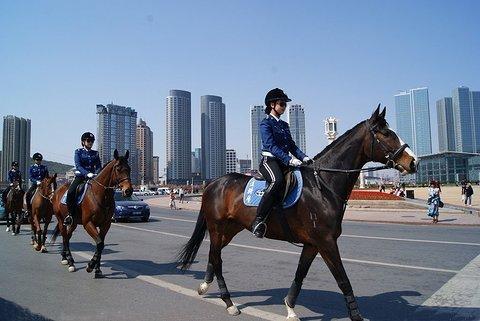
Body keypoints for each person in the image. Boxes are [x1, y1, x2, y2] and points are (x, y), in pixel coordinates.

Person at [251, 88, 312, 238]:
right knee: (277, 181)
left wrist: (304, 157)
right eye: (282, 103)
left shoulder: (284, 125)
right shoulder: (265, 124)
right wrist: (289, 159)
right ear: (272, 105)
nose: (284, 107)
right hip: (269, 161)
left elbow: (291, 145)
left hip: (284, 161)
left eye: (285, 104)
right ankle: (258, 220)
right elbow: (270, 146)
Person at [64, 132, 101, 226]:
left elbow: (98, 166)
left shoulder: (95, 153)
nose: (90, 143)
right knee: (71, 192)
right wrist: (87, 173)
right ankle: (70, 214)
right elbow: (78, 166)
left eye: (92, 141)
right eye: (88, 141)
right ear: (83, 142)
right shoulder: (78, 152)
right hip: (80, 177)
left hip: (93, 177)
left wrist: (96, 173)